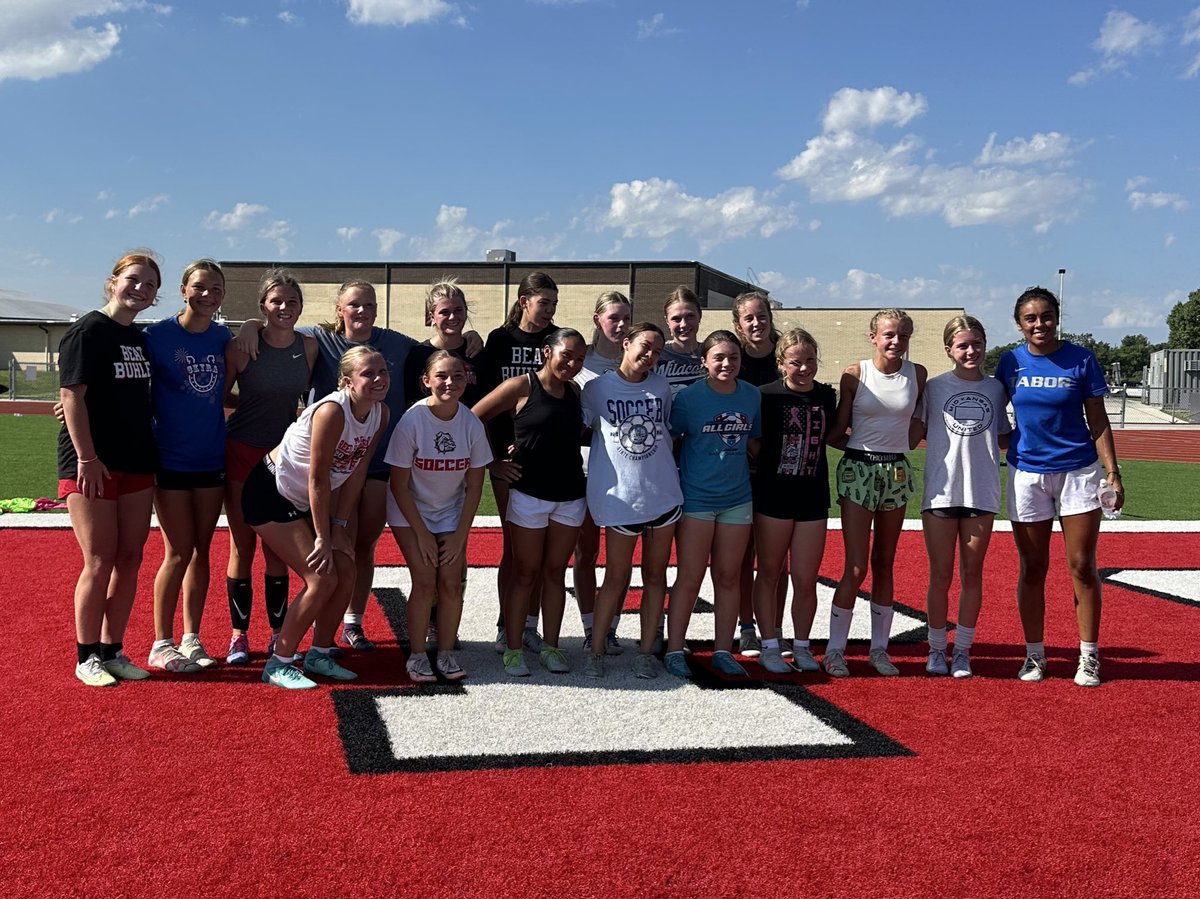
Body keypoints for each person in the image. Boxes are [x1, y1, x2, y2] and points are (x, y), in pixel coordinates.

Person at [235, 280, 482, 654]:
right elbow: (278, 326)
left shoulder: (389, 378)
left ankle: (337, 635)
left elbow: (437, 348)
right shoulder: (321, 353)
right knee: (328, 562)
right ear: (340, 309)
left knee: (354, 555)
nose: (362, 311)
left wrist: (469, 337)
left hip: (360, 471)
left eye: (369, 304)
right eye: (354, 304)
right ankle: (286, 648)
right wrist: (249, 325)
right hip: (295, 482)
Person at [995, 287, 1123, 687]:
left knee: (1083, 566)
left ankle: (1088, 656)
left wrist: (1113, 472)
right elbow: (994, 413)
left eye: (1046, 316)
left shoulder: (1082, 359)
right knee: (1033, 567)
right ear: (1019, 324)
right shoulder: (1009, 362)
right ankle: (1035, 655)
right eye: (1031, 318)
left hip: (1078, 472)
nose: (1040, 324)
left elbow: (1098, 420)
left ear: (1057, 318)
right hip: (1028, 473)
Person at [242, 346, 389, 689]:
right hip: (271, 493)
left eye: (382, 371)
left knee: (347, 568)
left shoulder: (380, 413)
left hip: (307, 500)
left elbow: (356, 471)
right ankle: (279, 662)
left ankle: (319, 653)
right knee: (321, 577)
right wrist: (324, 536)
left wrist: (339, 526)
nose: (379, 378)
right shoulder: (331, 411)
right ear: (346, 381)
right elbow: (318, 478)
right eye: (368, 373)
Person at [58, 251, 161, 687]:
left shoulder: (139, 338)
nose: (139, 289)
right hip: (92, 462)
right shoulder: (87, 331)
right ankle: (87, 657)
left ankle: (113, 650)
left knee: (130, 557)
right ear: (113, 281)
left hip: (137, 457)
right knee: (99, 558)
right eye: (133, 280)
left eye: (149, 285)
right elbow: (72, 397)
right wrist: (87, 458)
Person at [474, 328, 587, 676]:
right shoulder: (522, 386)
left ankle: (551, 647)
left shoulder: (575, 391)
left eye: (579, 359)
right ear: (547, 352)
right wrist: (493, 462)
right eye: (566, 354)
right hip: (528, 493)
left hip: (570, 494)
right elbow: (472, 418)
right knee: (524, 573)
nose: (572, 363)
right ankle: (512, 648)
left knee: (554, 573)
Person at [823, 309, 927, 678]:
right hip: (857, 469)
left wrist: (898, 444)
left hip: (895, 471)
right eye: (888, 335)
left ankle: (878, 650)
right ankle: (835, 650)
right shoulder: (854, 374)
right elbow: (836, 431)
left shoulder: (918, 374)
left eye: (902, 335)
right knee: (856, 564)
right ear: (873, 337)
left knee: (885, 561)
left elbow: (916, 426)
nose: (895, 341)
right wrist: (861, 449)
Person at [141, 259, 232, 673]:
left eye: (216, 288)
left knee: (201, 551)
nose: (208, 294)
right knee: (177, 552)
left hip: (211, 457)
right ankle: (161, 642)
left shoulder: (222, 336)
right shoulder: (156, 335)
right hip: (171, 458)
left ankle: (192, 637)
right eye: (200, 287)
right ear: (183, 290)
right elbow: (122, 379)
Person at [223, 269, 317, 664]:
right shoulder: (243, 345)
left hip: (283, 460)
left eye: (292, 302)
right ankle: (238, 635)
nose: (284, 308)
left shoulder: (309, 347)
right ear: (263, 305)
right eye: (276, 301)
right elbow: (218, 393)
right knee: (242, 546)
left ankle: (277, 633)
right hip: (242, 452)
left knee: (277, 554)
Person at [580, 322, 683, 679]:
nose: (650, 356)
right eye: (645, 347)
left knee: (656, 576)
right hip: (621, 498)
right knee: (615, 576)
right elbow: (578, 431)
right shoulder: (595, 389)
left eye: (657, 351)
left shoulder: (661, 386)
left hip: (664, 495)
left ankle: (644, 652)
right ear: (626, 343)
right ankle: (596, 649)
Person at [386, 352, 491, 683]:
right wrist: (421, 534)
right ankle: (417, 655)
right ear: (426, 381)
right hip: (410, 511)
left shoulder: (470, 423)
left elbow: (475, 486)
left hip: (450, 512)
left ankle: (444, 653)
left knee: (450, 582)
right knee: (425, 578)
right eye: (442, 376)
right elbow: (400, 487)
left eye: (457, 376)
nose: (450, 382)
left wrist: (461, 534)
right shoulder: (412, 421)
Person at [915, 316, 1010, 679]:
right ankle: (937, 649)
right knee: (940, 575)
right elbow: (912, 429)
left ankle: (964, 651)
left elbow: (1003, 436)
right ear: (948, 350)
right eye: (963, 345)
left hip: (981, 492)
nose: (971, 351)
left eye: (977, 344)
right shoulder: (934, 388)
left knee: (973, 574)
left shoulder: (998, 389)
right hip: (940, 491)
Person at [664, 330, 761, 679]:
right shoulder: (689, 398)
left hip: (737, 499)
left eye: (733, 357)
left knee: (729, 576)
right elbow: (669, 442)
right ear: (704, 360)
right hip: (696, 499)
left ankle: (723, 649)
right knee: (690, 576)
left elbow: (755, 444)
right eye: (718, 357)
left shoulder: (751, 396)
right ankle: (675, 648)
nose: (726, 363)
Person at [749, 328, 837, 675]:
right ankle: (769, 644)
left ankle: (802, 646)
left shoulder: (827, 396)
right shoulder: (764, 395)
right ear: (781, 363)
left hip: (813, 497)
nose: (804, 368)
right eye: (796, 362)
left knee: (805, 577)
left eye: (810, 361)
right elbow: (753, 443)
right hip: (773, 495)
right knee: (769, 572)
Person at [479, 272, 559, 654]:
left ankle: (529, 625)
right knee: (514, 549)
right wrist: (492, 460)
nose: (549, 311)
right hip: (508, 461)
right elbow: (480, 409)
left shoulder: (557, 339)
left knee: (542, 553)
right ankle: (505, 622)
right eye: (543, 302)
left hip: (547, 462)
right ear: (524, 300)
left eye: (554, 305)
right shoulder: (500, 340)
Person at [572, 291, 632, 656]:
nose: (621, 325)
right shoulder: (580, 364)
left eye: (627, 317)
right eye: (614, 318)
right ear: (598, 320)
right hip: (582, 467)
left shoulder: (638, 362)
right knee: (586, 552)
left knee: (621, 556)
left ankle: (611, 627)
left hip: (625, 471)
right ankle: (589, 624)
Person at [731, 290, 783, 656]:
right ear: (738, 324)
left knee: (776, 558)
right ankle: (747, 625)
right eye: (748, 318)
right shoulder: (734, 360)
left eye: (761, 315)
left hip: (782, 470)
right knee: (742, 555)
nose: (756, 323)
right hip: (740, 468)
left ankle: (774, 626)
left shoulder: (785, 354)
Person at [403, 279, 486, 409]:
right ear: (432, 316)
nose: (452, 317)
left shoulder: (476, 351)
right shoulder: (418, 354)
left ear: (466, 311)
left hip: (469, 426)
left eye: (458, 310)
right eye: (444, 312)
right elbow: (409, 399)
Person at [656, 286, 705, 398]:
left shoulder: (711, 353)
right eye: (676, 319)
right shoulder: (656, 355)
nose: (683, 324)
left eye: (690, 316)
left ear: (700, 316)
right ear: (667, 321)